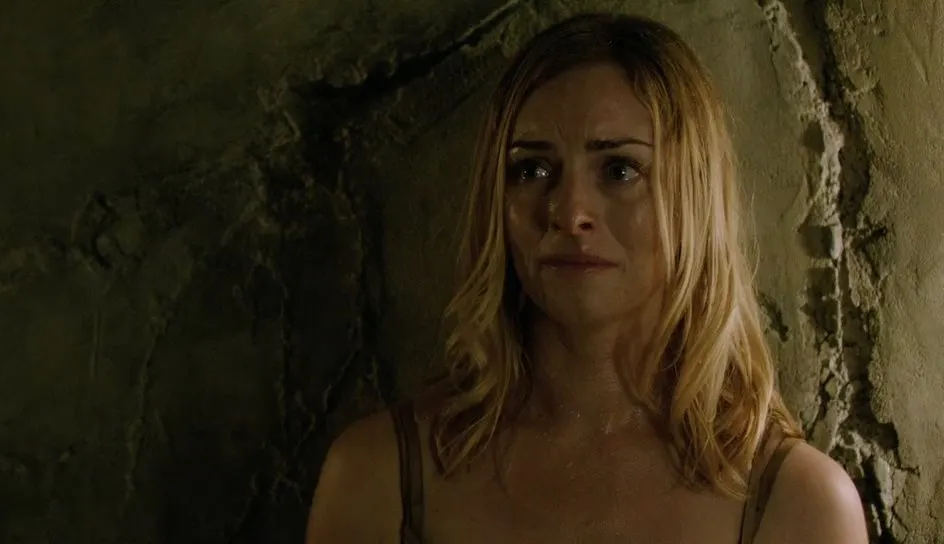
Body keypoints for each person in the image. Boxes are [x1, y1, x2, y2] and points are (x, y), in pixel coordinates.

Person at [305, 13, 867, 544]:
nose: (569, 211)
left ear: (694, 194)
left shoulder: (798, 504)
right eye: (531, 169)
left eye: (619, 169)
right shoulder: (378, 478)